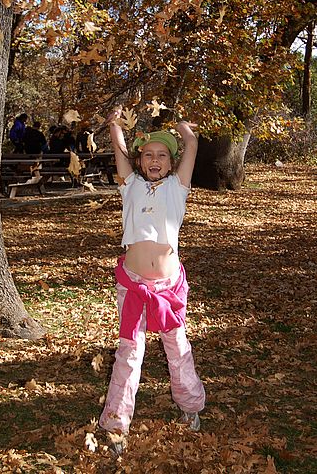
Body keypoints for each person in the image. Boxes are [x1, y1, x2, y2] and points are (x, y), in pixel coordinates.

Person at [99, 107, 205, 455]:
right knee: (130, 352)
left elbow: (191, 143)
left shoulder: (178, 186)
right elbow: (118, 146)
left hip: (168, 286)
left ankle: (190, 407)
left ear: (171, 162)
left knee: (177, 346)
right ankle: (116, 424)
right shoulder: (130, 186)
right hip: (132, 285)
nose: (155, 160)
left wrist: (180, 122)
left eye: (162, 155)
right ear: (140, 161)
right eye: (148, 155)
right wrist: (115, 122)